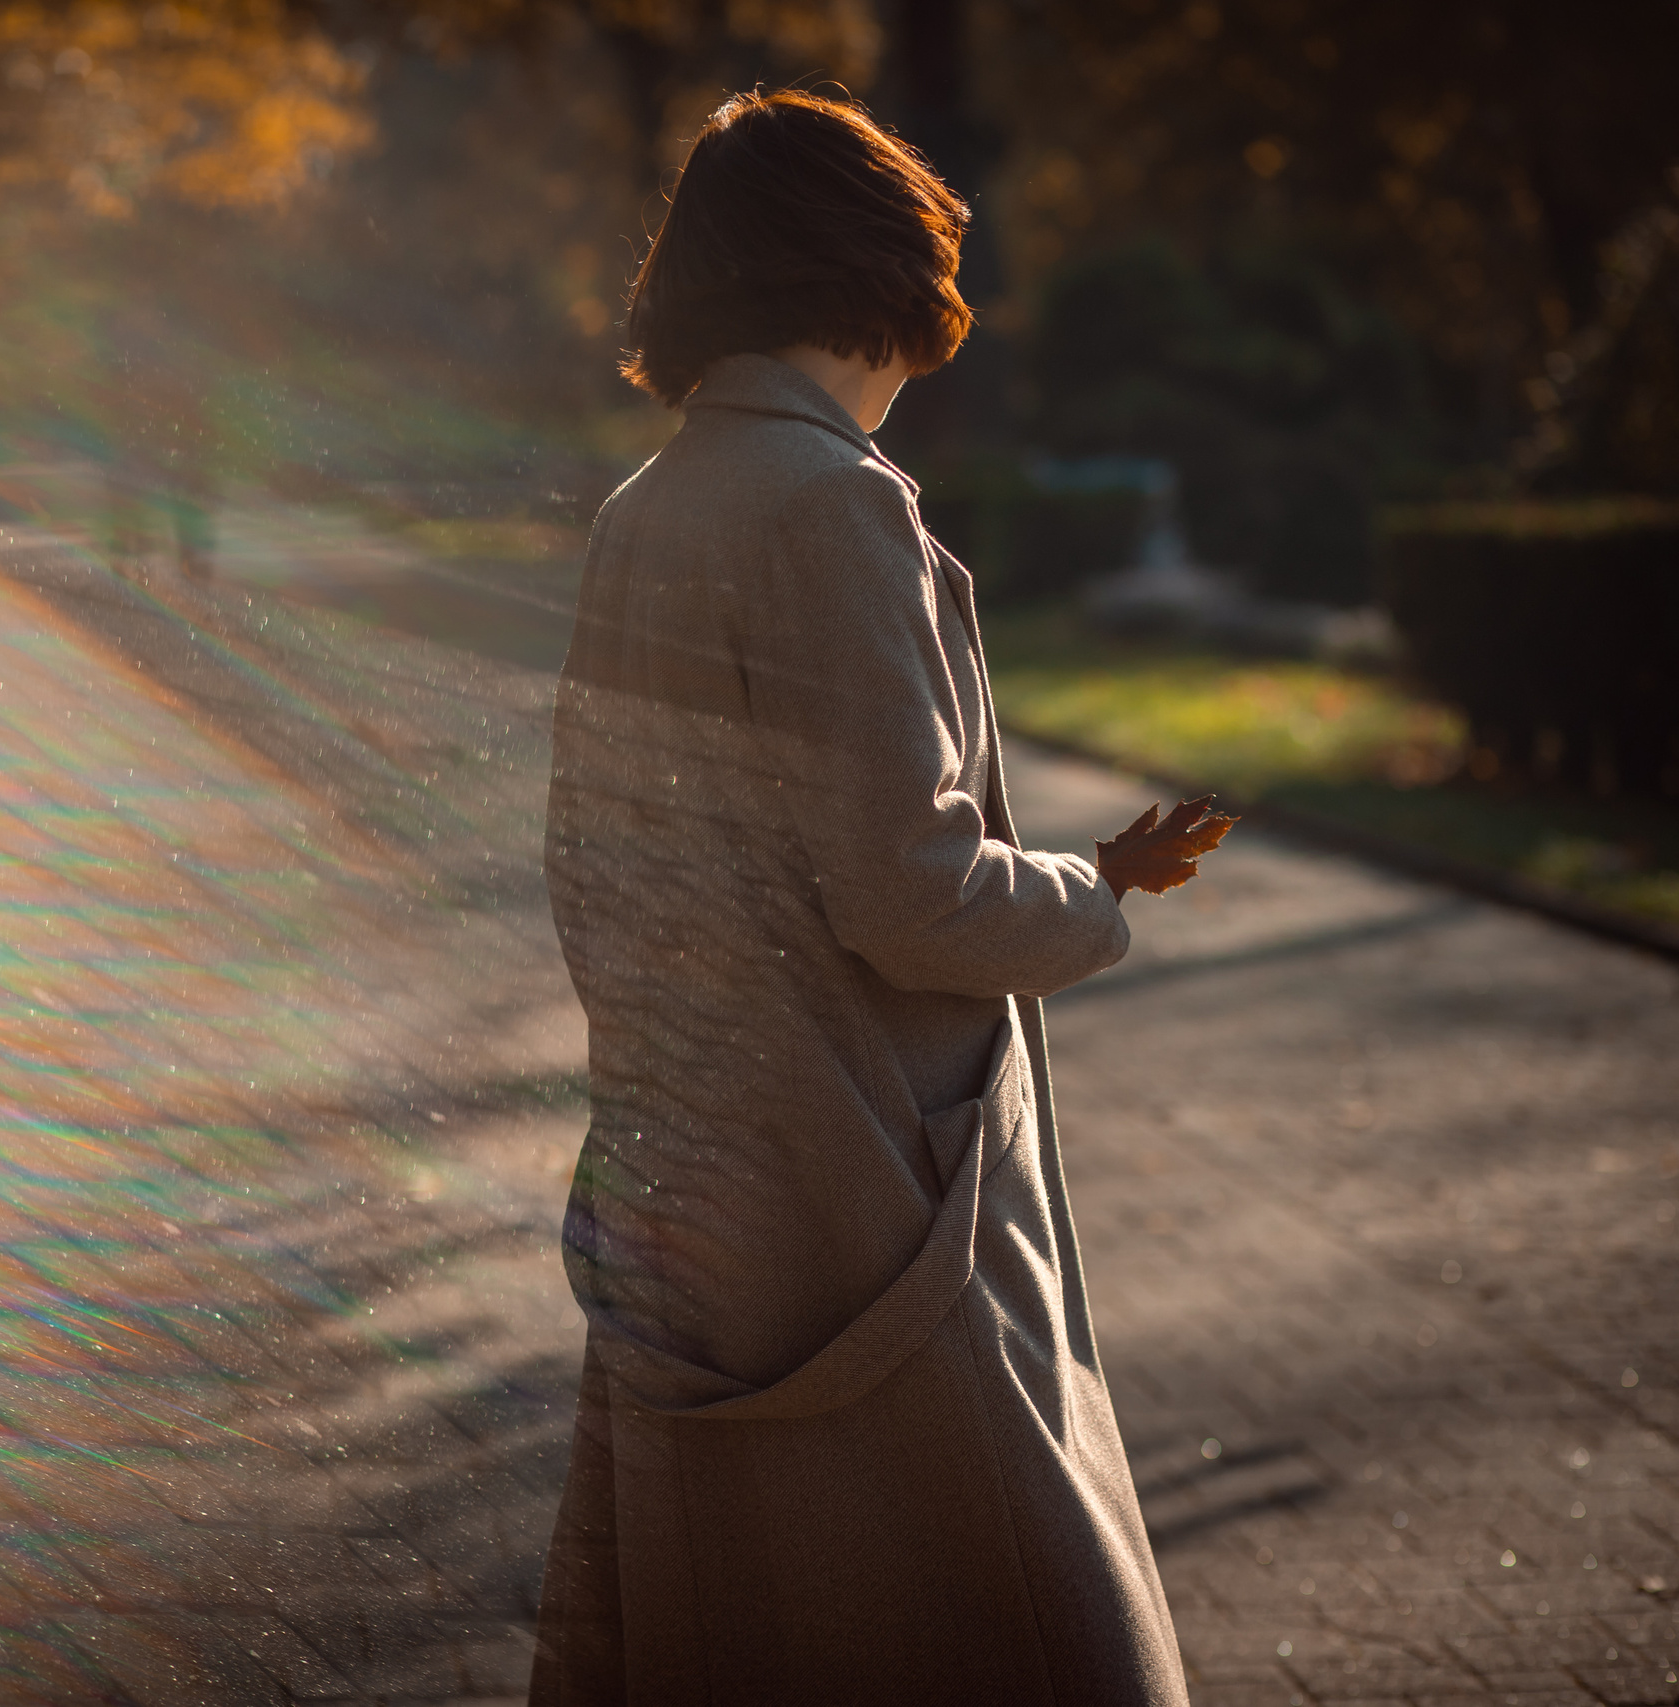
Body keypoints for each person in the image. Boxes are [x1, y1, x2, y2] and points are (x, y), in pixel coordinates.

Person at [530, 90, 1188, 1705]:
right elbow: (909, 892)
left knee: (742, 1612)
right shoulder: (832, 505)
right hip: (874, 1186)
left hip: (707, 1157)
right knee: (1007, 1616)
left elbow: (600, 860)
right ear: (878, 272)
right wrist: (1092, 900)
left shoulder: (652, 508)